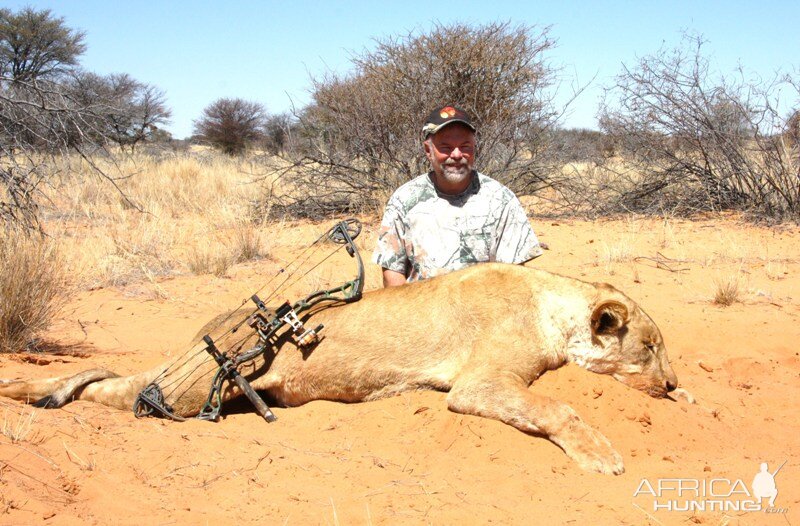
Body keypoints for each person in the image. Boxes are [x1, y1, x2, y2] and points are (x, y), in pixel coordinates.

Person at [373, 105, 543, 287]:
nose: (456, 155)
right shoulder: (404, 199)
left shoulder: (501, 199)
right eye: (445, 147)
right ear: (428, 150)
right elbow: (392, 272)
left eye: (465, 147)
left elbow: (514, 275)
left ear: (474, 149)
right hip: (423, 311)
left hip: (484, 310)